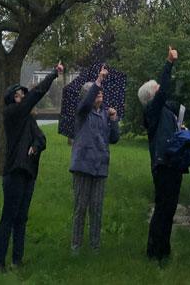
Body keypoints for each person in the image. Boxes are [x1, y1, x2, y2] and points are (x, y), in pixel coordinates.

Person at [0, 61, 64, 273]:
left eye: (23, 95)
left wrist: (35, 146)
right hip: (15, 171)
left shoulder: (29, 121)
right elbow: (35, 95)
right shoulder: (12, 115)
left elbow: (41, 138)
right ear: (11, 101)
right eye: (18, 95)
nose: (23, 97)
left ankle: (17, 260)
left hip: (29, 173)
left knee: (22, 217)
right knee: (9, 216)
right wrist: (53, 74)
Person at [139, 46, 185, 262]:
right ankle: (153, 251)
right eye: (157, 89)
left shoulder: (165, 111)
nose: (161, 90)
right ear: (152, 96)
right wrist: (168, 63)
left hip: (173, 163)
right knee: (162, 209)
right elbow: (164, 89)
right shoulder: (152, 111)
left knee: (169, 209)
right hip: (163, 164)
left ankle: (163, 249)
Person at [70, 64, 120, 253]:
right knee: (80, 208)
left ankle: (95, 246)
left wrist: (114, 120)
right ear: (88, 96)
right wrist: (98, 81)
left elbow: (114, 139)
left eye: (101, 93)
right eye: (96, 93)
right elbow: (86, 102)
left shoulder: (105, 115)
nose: (100, 94)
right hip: (83, 166)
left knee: (97, 209)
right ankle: (76, 246)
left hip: (100, 167)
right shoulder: (82, 113)